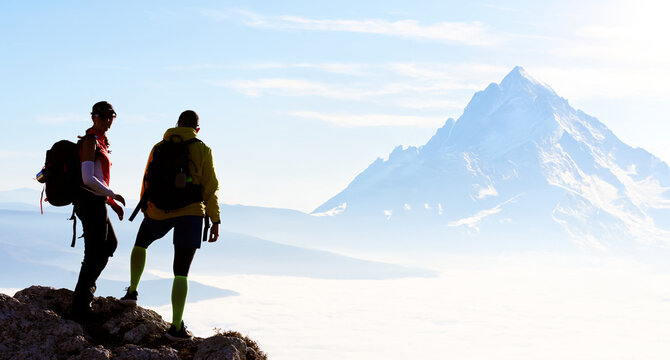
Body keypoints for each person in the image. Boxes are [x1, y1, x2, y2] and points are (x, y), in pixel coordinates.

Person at [121, 110, 220, 341]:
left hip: (159, 209)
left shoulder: (159, 146)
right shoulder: (203, 149)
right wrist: (215, 220)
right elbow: (210, 188)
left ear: (177, 124)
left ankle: (132, 291)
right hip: (191, 212)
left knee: (141, 243)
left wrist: (146, 206)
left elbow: (147, 177)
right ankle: (176, 328)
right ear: (197, 129)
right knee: (181, 271)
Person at [72, 101, 126, 321]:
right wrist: (112, 195)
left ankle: (84, 296)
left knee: (108, 245)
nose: (107, 120)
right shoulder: (90, 142)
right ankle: (81, 306)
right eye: (103, 116)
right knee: (94, 253)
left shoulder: (102, 142)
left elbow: (98, 178)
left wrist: (111, 204)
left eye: (111, 116)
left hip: (97, 202)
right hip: (89, 203)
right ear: (93, 117)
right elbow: (87, 178)